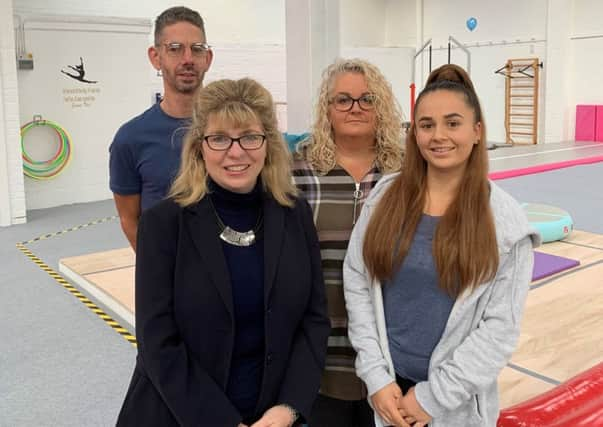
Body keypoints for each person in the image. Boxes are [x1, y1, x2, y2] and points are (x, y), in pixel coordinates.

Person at [116, 77, 331, 426]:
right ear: (199, 146)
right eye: (219, 138)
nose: (236, 151)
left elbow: (314, 319)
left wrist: (288, 407)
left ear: (268, 145)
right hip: (180, 414)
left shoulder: (295, 214)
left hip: (272, 417)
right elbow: (157, 341)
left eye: (249, 136)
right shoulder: (164, 224)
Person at [343, 64, 540, 427]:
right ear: (414, 132)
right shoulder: (386, 197)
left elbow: (499, 330)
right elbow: (357, 280)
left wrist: (434, 397)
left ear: (477, 131)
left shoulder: (506, 224)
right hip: (389, 394)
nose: (439, 136)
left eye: (453, 123)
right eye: (427, 124)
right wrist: (376, 377)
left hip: (453, 405)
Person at [292, 58, 405, 426]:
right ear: (327, 108)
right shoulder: (300, 169)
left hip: (392, 356)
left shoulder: (406, 171)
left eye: (366, 99)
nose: (355, 108)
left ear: (381, 106)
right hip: (321, 353)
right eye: (343, 100)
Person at [109, 6, 213, 250]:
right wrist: (156, 268)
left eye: (197, 49)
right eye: (175, 49)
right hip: (169, 274)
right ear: (156, 57)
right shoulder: (130, 139)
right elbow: (129, 219)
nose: (188, 59)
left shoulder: (232, 131)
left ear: (207, 59)